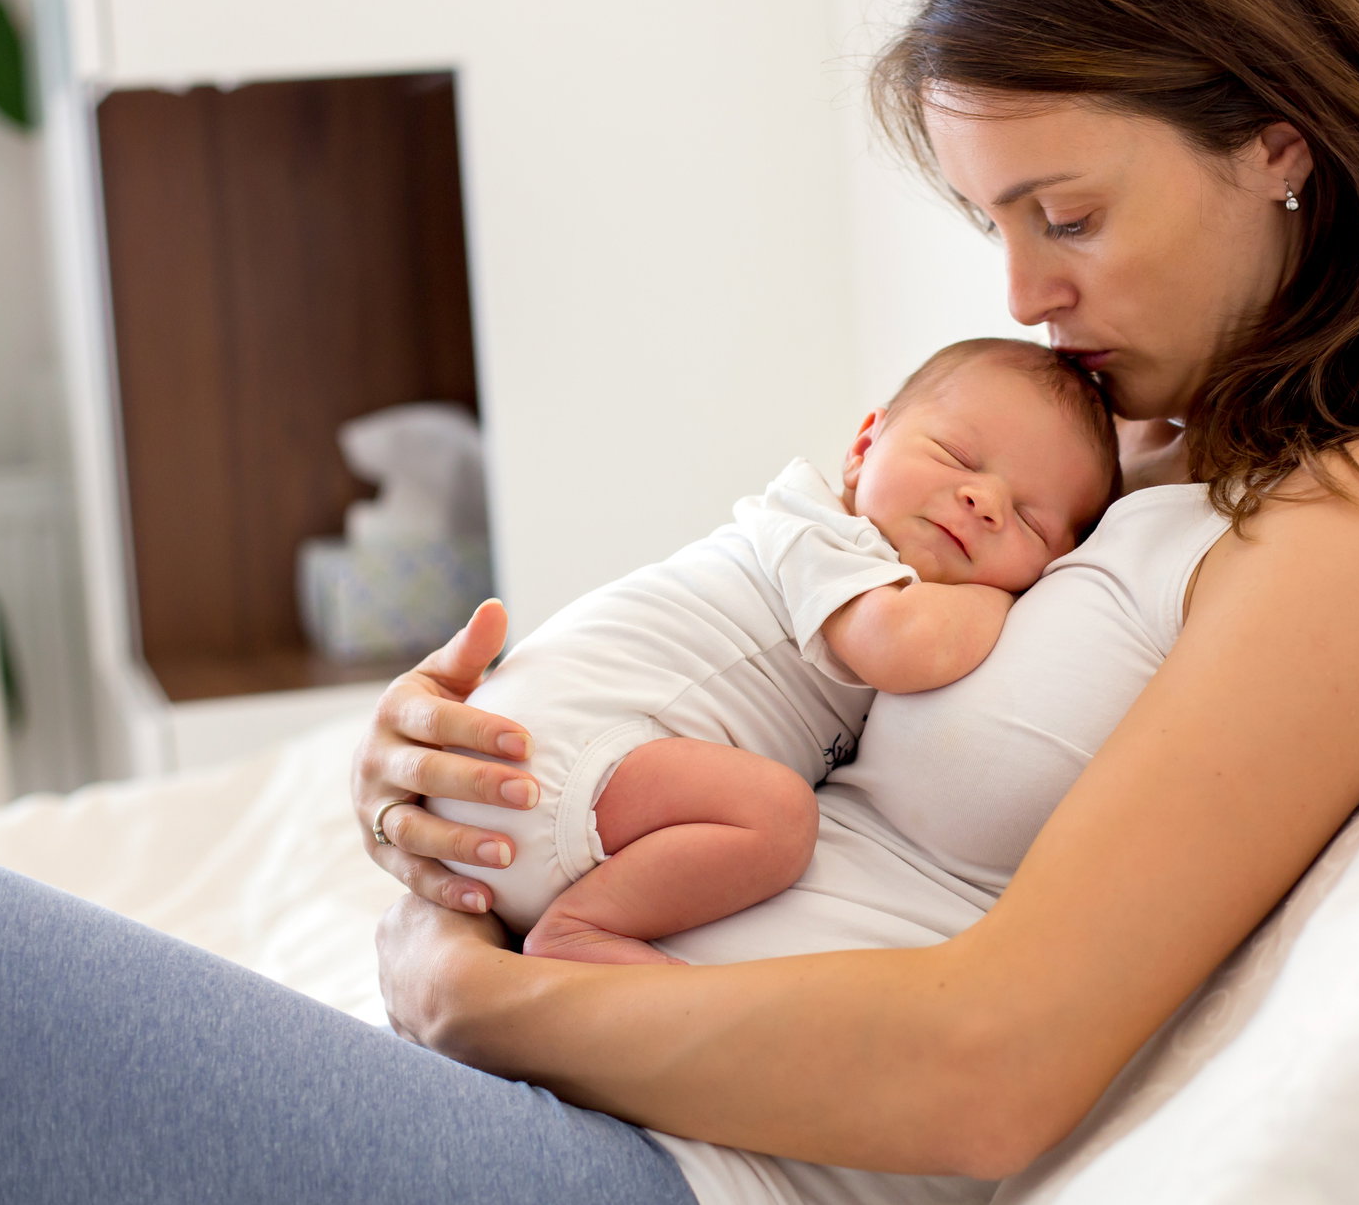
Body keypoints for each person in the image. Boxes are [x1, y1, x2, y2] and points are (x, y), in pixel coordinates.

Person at [0, 0, 1359, 1205]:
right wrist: (456, 787)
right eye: (993, 227)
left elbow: (997, 1058)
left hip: (662, 1160)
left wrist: (498, 998)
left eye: (1066, 211)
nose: (1030, 292)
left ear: (1279, 141)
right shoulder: (1108, 465)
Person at [422, 337, 1119, 967]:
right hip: (549, 762)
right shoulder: (817, 530)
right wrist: (1002, 594)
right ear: (862, 446)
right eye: (957, 457)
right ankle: (580, 931)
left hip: (549, 805)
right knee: (781, 818)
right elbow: (902, 649)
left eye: (1031, 519)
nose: (983, 500)